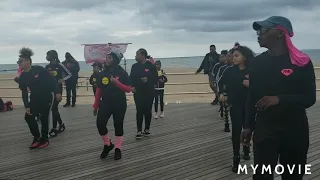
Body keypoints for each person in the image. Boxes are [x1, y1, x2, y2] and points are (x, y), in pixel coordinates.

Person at [241, 16, 316, 180]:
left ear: (280, 33)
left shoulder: (301, 62)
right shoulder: (258, 62)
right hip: (265, 129)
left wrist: (279, 99)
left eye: (263, 30)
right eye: (258, 31)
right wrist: (247, 126)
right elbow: (251, 97)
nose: (258, 34)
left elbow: (310, 98)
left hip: (295, 130)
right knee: (262, 176)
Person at [218, 45, 254, 172]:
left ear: (245, 57)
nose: (233, 58)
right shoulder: (229, 71)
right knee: (236, 131)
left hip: (250, 105)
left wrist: (252, 85)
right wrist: (222, 93)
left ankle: (246, 149)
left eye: (236, 56)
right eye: (232, 56)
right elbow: (220, 83)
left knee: (248, 129)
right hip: (235, 105)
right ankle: (236, 158)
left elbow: (262, 86)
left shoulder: (252, 70)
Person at [17, 47, 62, 149]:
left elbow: (53, 81)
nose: (19, 63)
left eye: (21, 61)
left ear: (28, 61)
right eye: (18, 61)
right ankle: (37, 137)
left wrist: (57, 92)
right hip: (34, 99)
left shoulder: (39, 70)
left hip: (47, 97)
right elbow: (24, 92)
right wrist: (27, 105)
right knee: (28, 117)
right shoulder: (23, 76)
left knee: (44, 117)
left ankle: (45, 139)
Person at [93, 52, 131, 160]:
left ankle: (118, 148)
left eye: (109, 58)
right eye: (106, 57)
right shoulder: (102, 73)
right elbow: (99, 90)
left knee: (118, 125)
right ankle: (108, 144)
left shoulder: (122, 73)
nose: (106, 59)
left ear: (115, 60)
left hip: (119, 103)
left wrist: (117, 83)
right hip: (105, 103)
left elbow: (128, 89)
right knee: (100, 123)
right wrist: (95, 105)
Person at [130, 48, 158, 139]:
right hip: (138, 92)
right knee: (139, 110)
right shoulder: (134, 66)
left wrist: (148, 79)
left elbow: (155, 78)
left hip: (149, 92)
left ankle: (147, 129)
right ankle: (139, 130)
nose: (135, 56)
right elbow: (131, 78)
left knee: (148, 110)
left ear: (143, 55)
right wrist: (132, 86)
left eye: (137, 54)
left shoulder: (151, 66)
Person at [45, 50, 71, 137]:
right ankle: (61, 125)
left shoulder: (59, 65)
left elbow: (69, 74)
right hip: (50, 90)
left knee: (53, 108)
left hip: (58, 90)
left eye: (47, 55)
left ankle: (54, 128)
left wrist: (63, 79)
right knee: (54, 108)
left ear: (52, 56)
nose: (46, 57)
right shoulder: (47, 66)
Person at [216, 48, 235, 132]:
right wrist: (220, 92)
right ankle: (226, 125)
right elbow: (218, 81)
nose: (227, 58)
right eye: (226, 56)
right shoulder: (223, 68)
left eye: (229, 56)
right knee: (226, 109)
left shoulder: (240, 68)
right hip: (225, 91)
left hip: (236, 93)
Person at [211, 50, 228, 117]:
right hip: (219, 84)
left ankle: (225, 109)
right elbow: (213, 75)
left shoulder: (229, 66)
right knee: (220, 96)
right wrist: (214, 82)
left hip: (227, 85)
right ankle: (221, 109)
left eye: (223, 57)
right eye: (220, 57)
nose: (221, 59)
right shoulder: (217, 66)